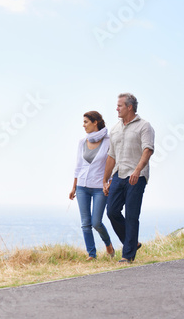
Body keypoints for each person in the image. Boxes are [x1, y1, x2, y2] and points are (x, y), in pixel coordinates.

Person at [103, 93, 155, 263]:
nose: (116, 108)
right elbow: (111, 156)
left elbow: (148, 149)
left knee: (132, 215)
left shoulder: (144, 126)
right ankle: (132, 242)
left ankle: (128, 255)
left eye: (119, 105)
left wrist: (137, 171)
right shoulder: (115, 129)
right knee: (111, 211)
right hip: (119, 174)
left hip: (136, 176)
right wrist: (105, 180)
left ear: (129, 107)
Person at [69, 111, 115, 260]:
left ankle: (108, 244)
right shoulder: (82, 142)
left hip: (99, 188)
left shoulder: (108, 141)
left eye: (86, 122)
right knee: (85, 223)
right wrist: (74, 186)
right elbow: (78, 165)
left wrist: (109, 182)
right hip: (82, 186)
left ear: (95, 122)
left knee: (96, 222)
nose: (83, 125)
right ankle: (92, 254)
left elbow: (113, 163)